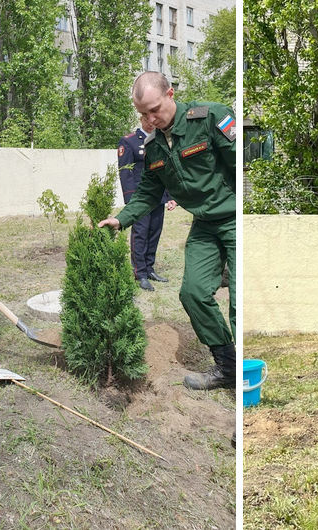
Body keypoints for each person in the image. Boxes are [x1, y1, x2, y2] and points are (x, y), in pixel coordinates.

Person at [99, 72, 236, 390]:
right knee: (192, 293)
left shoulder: (212, 117)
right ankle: (228, 368)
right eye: (143, 114)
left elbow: (239, 163)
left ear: (171, 95)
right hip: (204, 226)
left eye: (155, 109)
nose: (150, 118)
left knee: (237, 303)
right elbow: (147, 193)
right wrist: (121, 219)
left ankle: (246, 377)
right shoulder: (155, 147)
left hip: (233, 222)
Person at [117, 114, 177, 291]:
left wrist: (169, 196)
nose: (151, 122)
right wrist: (131, 200)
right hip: (140, 198)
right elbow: (125, 172)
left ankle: (150, 268)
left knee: (154, 232)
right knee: (140, 234)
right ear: (142, 119)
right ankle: (140, 273)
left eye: (154, 119)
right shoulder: (129, 141)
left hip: (157, 197)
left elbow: (164, 169)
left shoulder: (160, 139)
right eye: (147, 119)